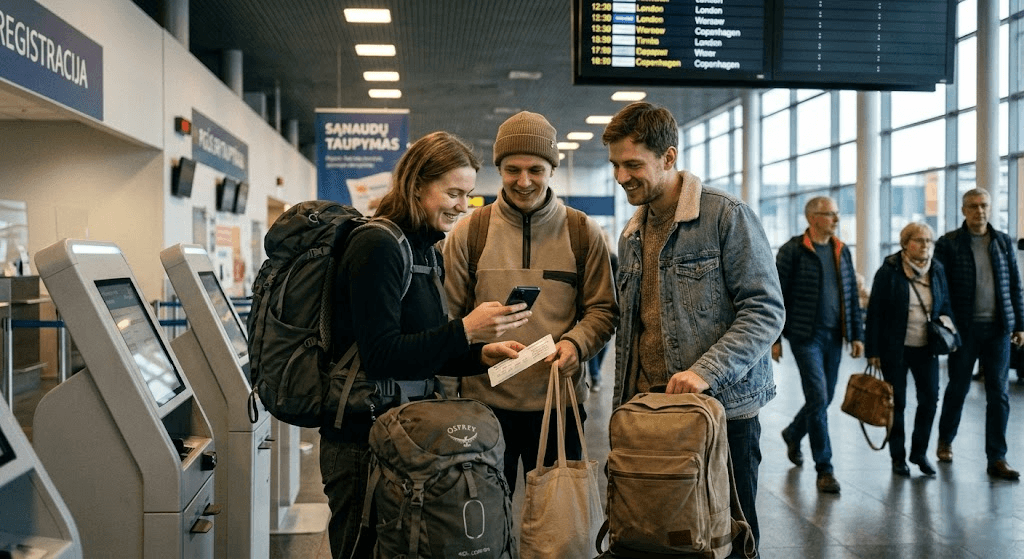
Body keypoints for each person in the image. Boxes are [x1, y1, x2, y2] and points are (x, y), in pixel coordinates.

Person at [319, 131, 532, 559]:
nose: (461, 205)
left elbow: (420, 349)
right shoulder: (377, 245)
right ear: (417, 185)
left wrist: (479, 354)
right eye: (453, 192)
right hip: (362, 439)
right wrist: (466, 330)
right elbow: (382, 355)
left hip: (403, 433)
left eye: (468, 195)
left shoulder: (426, 248)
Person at [603, 102, 784, 557]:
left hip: (722, 414)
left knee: (731, 537)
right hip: (651, 414)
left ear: (668, 157)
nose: (621, 176)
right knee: (664, 535)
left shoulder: (725, 216)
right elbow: (630, 325)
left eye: (632, 164)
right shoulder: (632, 234)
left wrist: (706, 372)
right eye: (615, 165)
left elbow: (765, 310)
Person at [443, 111, 618, 493]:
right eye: (512, 169)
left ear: (552, 168)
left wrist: (577, 343)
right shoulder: (469, 233)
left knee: (560, 532)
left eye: (535, 169)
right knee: (482, 529)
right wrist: (445, 403)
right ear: (499, 169)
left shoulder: (581, 232)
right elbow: (448, 321)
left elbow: (603, 310)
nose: (524, 181)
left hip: (559, 405)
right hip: (482, 407)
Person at [773, 196, 864, 494]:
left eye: (837, 214)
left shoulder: (841, 250)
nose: (836, 220)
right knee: (818, 396)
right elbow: (774, 297)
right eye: (830, 214)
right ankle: (825, 468)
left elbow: (849, 294)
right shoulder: (792, 251)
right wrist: (774, 339)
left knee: (822, 400)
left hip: (834, 337)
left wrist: (857, 335)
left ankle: (793, 432)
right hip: (804, 336)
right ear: (812, 218)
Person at [933, 188, 1024, 480]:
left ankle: (997, 457)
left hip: (998, 329)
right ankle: (945, 440)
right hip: (964, 330)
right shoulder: (949, 244)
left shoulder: (1002, 242)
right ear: (963, 210)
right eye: (973, 206)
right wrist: (946, 324)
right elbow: (940, 288)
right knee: (958, 388)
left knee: (998, 393)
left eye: (984, 205)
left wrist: (1020, 324)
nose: (979, 211)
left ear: (990, 208)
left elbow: (1014, 286)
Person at [865, 222, 958, 477]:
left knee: (929, 401)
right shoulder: (889, 271)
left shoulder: (937, 269)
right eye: (919, 240)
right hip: (894, 348)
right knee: (898, 403)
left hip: (926, 348)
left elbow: (946, 303)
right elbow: (875, 313)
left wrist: (947, 325)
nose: (925, 245)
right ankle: (898, 458)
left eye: (929, 241)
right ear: (905, 244)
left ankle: (919, 453)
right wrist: (872, 350)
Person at [588, 247, 618, 392]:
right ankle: (595, 374)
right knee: (594, 342)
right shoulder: (588, 256)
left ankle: (596, 372)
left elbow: (617, 283)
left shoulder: (612, 258)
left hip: (608, 305)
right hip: (590, 306)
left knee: (601, 343)